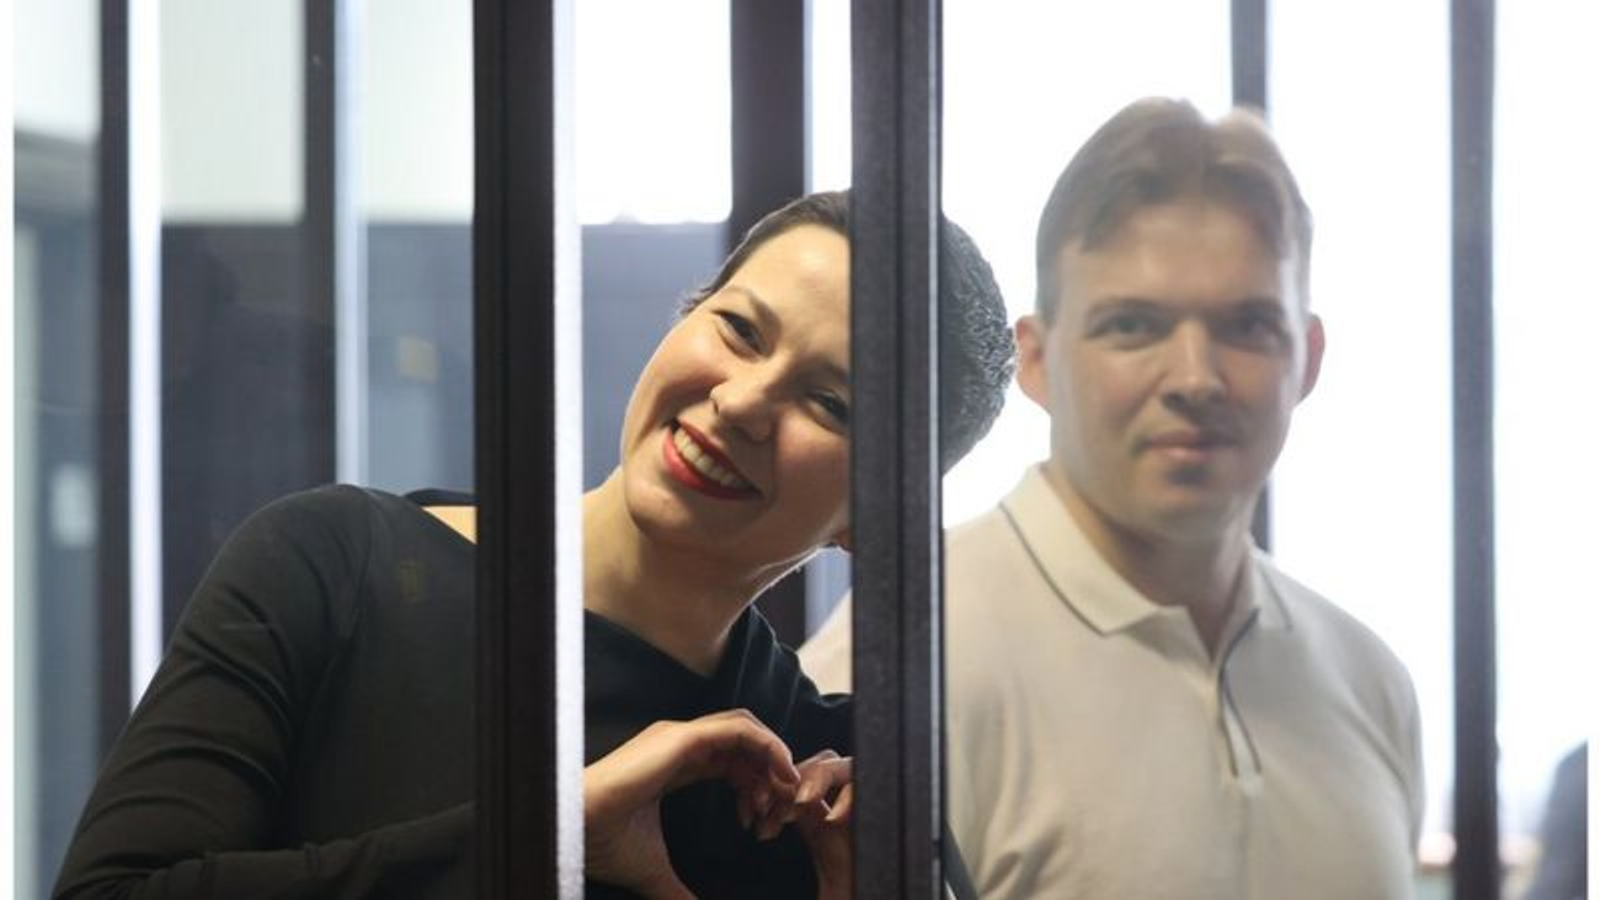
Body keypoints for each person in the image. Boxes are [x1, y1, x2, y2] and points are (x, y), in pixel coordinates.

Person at [52, 190, 1015, 900]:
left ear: (872, 519)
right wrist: (549, 841)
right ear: (682, 318)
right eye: (738, 329)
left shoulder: (823, 793)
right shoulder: (333, 566)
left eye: (830, 402)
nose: (741, 402)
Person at [802, 99, 1425, 899]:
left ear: (1306, 358)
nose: (1195, 378)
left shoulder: (1370, 680)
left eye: (1247, 325)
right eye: (1133, 325)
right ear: (1035, 361)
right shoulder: (899, 664)